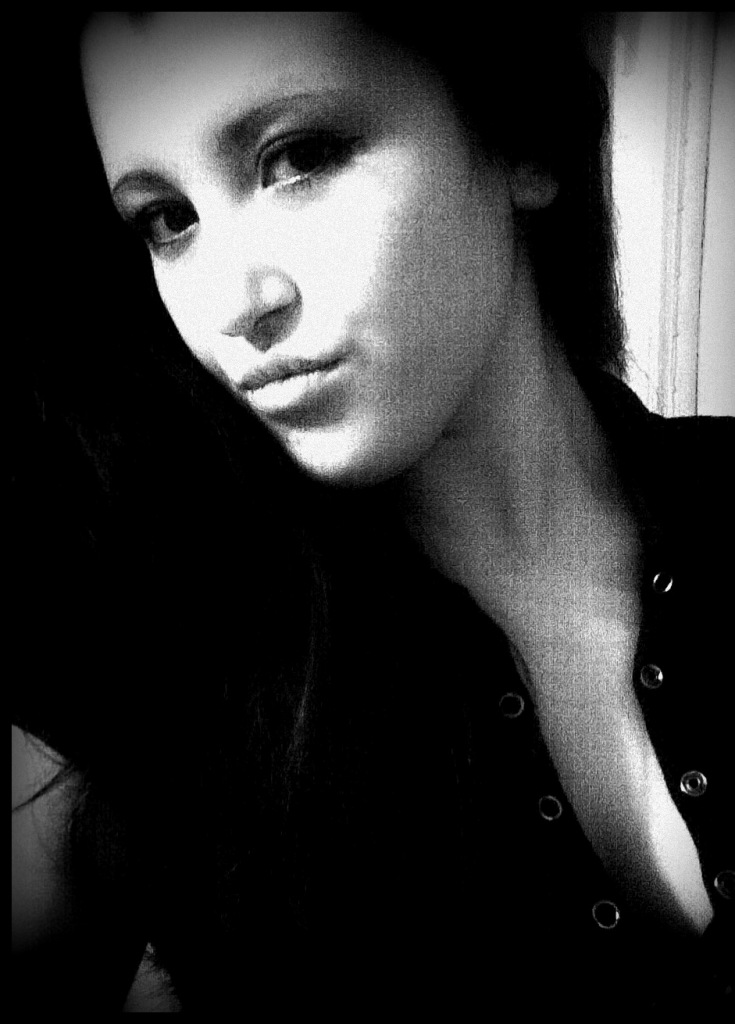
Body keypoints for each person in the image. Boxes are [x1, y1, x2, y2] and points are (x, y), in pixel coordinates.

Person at [11, 11, 733, 1013]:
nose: (232, 302)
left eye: (298, 157)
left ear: (521, 141)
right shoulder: (183, 680)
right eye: (167, 220)